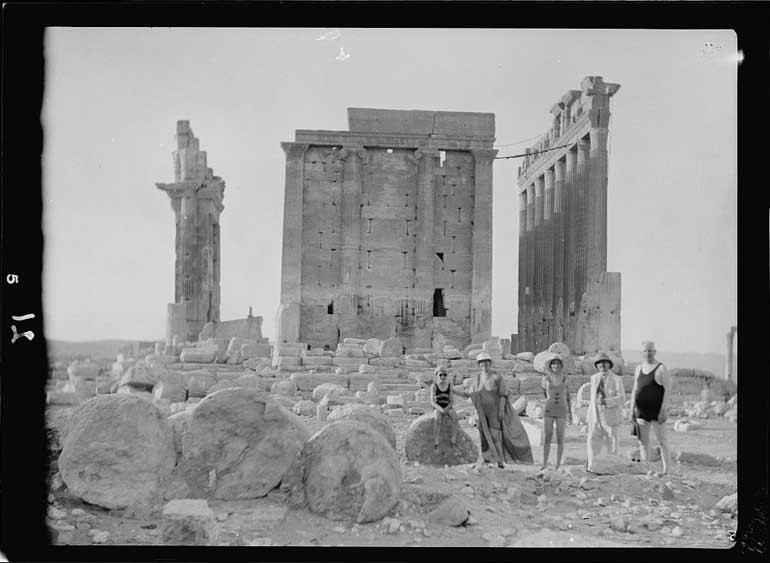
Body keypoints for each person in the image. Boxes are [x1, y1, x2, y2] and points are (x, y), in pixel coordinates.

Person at [454, 351, 533, 468]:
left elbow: (503, 394)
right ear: (478, 364)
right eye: (481, 362)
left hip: (494, 412)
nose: (484, 364)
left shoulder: (496, 376)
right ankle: (488, 460)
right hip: (481, 413)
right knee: (484, 437)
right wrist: (454, 391)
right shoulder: (476, 379)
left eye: (486, 361)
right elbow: (469, 394)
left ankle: (500, 461)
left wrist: (501, 410)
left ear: (489, 363)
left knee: (496, 436)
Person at [628, 340, 672, 476]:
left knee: (662, 441)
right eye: (645, 351)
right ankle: (646, 468)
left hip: (657, 411)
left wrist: (663, 410)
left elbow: (667, 390)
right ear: (642, 352)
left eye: (650, 350)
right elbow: (635, 390)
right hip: (641, 411)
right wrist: (631, 410)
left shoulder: (661, 368)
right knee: (643, 441)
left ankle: (666, 471)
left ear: (655, 351)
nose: (648, 353)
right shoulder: (638, 368)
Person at [586, 351, 626, 472]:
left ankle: (612, 467)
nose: (601, 365)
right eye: (599, 363)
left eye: (604, 362)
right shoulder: (594, 378)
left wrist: (606, 401)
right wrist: (590, 416)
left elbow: (622, 398)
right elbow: (593, 398)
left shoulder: (616, 379)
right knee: (592, 441)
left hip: (610, 414)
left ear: (609, 364)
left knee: (612, 442)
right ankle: (592, 466)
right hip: (596, 415)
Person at [540, 353, 572, 471]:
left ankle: (558, 465)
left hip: (562, 408)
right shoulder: (545, 379)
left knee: (560, 437)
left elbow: (568, 396)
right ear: (550, 365)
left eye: (558, 364)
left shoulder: (565, 379)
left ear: (561, 365)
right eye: (554, 364)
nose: (556, 366)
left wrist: (571, 413)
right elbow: (544, 393)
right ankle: (544, 464)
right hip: (549, 407)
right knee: (547, 436)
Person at [430, 366, 459, 450]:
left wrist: (447, 408)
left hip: (447, 406)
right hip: (438, 406)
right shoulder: (434, 386)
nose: (442, 377)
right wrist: (440, 409)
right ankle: (436, 443)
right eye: (440, 375)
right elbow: (432, 401)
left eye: (444, 375)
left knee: (455, 419)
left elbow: (452, 400)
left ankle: (453, 441)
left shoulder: (449, 385)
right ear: (437, 375)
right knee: (437, 420)